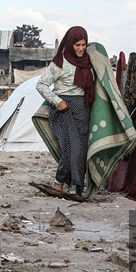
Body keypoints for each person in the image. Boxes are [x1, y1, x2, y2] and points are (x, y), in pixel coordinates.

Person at [36, 26, 95, 195]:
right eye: (77, 45)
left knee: (81, 150)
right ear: (70, 44)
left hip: (83, 109)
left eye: (84, 44)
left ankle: (77, 188)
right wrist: (57, 101)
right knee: (71, 149)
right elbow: (41, 84)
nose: (81, 48)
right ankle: (59, 182)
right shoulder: (59, 63)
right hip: (64, 109)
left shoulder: (88, 61)